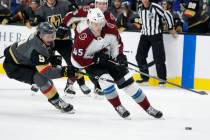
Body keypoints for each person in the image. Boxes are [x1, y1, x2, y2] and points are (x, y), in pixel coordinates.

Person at [71, 8, 163, 119]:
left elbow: (117, 45)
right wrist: (94, 59)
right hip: (92, 64)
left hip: (108, 58)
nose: (99, 26)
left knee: (129, 84)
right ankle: (118, 106)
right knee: (106, 81)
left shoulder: (111, 28)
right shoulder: (82, 38)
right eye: (95, 23)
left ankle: (148, 107)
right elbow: (76, 60)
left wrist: (119, 56)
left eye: (101, 23)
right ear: (89, 22)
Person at [3, 22, 75, 113]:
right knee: (40, 78)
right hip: (14, 67)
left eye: (53, 35)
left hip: (25, 60)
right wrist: (67, 71)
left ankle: (36, 83)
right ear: (40, 35)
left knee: (55, 62)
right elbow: (47, 72)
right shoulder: (37, 48)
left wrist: (57, 64)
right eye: (48, 36)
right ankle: (56, 101)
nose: (51, 39)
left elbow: (48, 54)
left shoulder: (42, 39)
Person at [34, 0, 91, 95]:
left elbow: (75, 15)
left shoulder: (65, 4)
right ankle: (38, 81)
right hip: (49, 41)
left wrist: (74, 20)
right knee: (43, 62)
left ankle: (79, 84)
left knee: (74, 62)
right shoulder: (41, 10)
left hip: (65, 40)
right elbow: (39, 27)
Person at [60, 0, 116, 95]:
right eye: (99, 3)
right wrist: (63, 26)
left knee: (95, 65)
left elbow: (110, 33)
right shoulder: (86, 10)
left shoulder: (110, 17)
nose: (101, 6)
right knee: (78, 65)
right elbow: (71, 15)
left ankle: (97, 86)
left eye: (104, 4)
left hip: (98, 45)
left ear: (107, 5)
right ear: (95, 3)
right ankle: (70, 84)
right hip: (81, 44)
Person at [136, 0, 177, 86]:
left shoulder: (155, 7)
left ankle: (162, 79)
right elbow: (141, 20)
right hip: (144, 35)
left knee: (159, 58)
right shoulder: (139, 8)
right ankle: (144, 78)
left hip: (156, 35)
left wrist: (171, 28)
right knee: (139, 56)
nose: (145, 0)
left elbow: (167, 14)